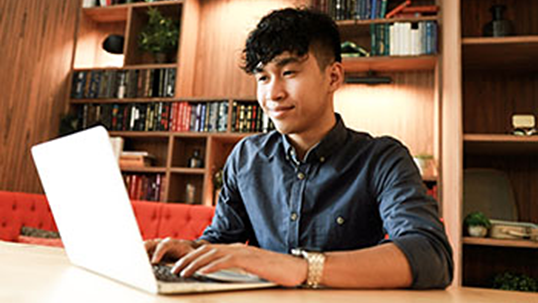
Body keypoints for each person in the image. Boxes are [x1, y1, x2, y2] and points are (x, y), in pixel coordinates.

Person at [146, 7, 453, 289]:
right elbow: (223, 237)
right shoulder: (246, 157)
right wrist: (192, 249)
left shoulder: (382, 159)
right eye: (263, 77)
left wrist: (303, 267)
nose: (273, 93)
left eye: (289, 73)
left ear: (333, 76)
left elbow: (431, 256)